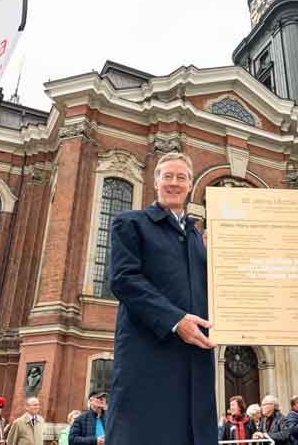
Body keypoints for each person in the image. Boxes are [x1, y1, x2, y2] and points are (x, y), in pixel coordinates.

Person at [105, 152, 216, 445]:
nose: (174, 183)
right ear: (155, 182)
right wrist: (175, 320)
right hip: (149, 354)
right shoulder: (131, 222)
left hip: (196, 355)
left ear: (190, 185)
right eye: (167, 176)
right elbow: (123, 279)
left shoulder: (197, 237)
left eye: (181, 177)